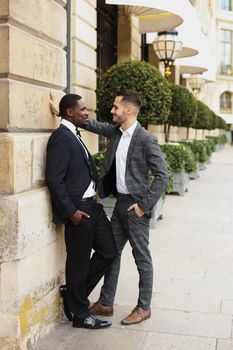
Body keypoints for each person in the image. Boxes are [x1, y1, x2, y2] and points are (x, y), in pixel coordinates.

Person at [82, 89, 168, 325]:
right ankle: (106, 303)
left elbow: (163, 176)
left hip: (135, 209)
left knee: (142, 257)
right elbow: (93, 125)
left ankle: (143, 307)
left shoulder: (146, 139)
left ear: (129, 110)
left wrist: (143, 206)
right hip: (119, 204)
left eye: (116, 107)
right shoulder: (116, 132)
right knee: (111, 253)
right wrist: (63, 112)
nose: (112, 110)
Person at [45, 94, 116, 329]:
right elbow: (54, 180)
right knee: (78, 263)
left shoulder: (73, 133)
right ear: (69, 113)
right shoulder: (61, 137)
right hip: (78, 211)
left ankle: (74, 295)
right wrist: (71, 212)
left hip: (92, 206)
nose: (87, 114)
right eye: (83, 110)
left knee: (109, 251)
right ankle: (80, 314)